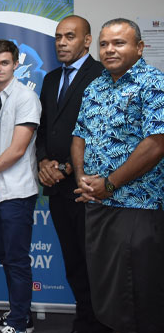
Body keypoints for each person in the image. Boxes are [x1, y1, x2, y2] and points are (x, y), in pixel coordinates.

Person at [72, 18, 164, 333]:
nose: (109, 49)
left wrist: (110, 184)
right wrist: (82, 178)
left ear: (139, 47)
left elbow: (156, 143)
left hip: (137, 206)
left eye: (119, 43)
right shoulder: (95, 86)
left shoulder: (153, 83)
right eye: (104, 44)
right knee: (108, 293)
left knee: (136, 295)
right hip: (98, 205)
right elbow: (79, 135)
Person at [35, 16, 109, 332]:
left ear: (87, 41)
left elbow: (101, 132)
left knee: (96, 263)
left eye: (69, 36)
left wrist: (66, 166)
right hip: (57, 189)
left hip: (88, 188)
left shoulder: (102, 75)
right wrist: (42, 162)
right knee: (74, 262)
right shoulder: (51, 79)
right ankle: (84, 321)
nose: (61, 43)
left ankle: (101, 324)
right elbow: (43, 128)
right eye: (58, 37)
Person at [0, 40, 41, 333]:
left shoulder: (26, 97)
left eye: (4, 63)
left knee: (16, 259)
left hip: (16, 193)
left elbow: (17, 149)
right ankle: (19, 313)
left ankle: (19, 322)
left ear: (15, 64)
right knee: (5, 257)